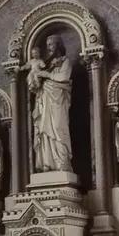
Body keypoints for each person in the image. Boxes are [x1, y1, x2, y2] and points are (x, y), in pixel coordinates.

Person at [32, 34, 73, 173]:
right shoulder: (47, 64)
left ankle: (63, 162)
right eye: (48, 45)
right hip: (45, 101)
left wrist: (47, 75)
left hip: (59, 101)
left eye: (52, 44)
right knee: (45, 131)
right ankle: (47, 163)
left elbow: (64, 77)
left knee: (58, 128)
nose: (49, 47)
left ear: (59, 45)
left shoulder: (65, 61)